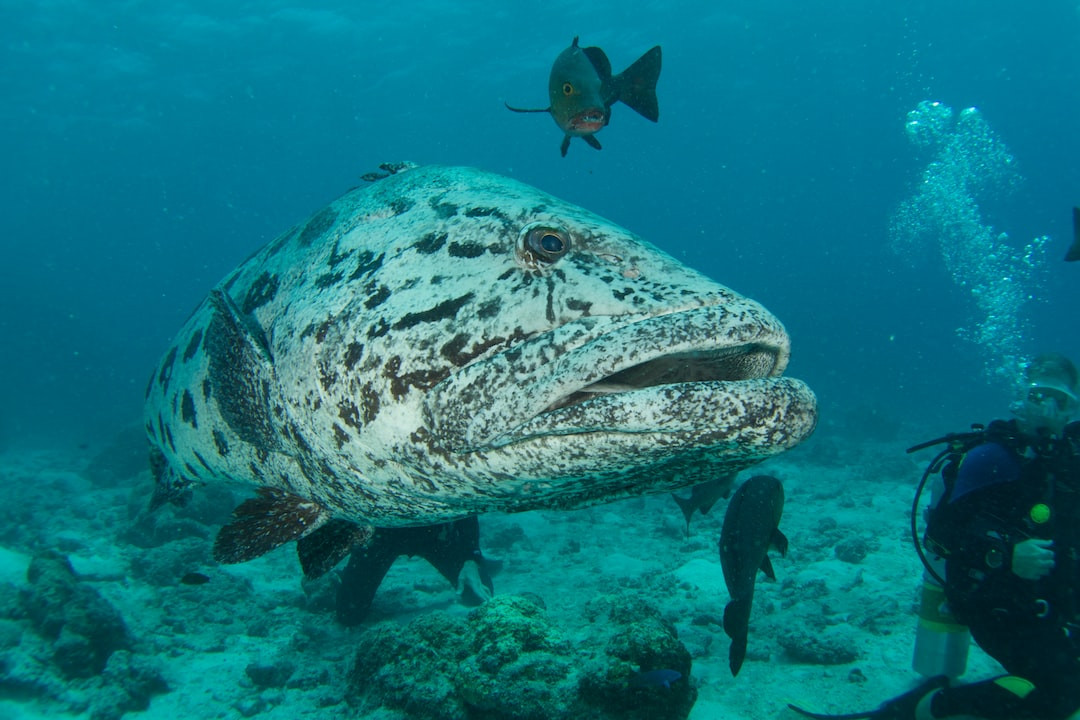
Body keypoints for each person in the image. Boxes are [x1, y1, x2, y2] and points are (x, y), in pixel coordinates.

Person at [791, 353, 1080, 720]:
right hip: (1002, 605)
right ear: (1021, 399)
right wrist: (1005, 552)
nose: (1049, 410)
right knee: (1061, 694)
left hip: (1061, 605)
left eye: (1061, 400)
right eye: (1039, 397)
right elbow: (942, 535)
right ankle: (923, 708)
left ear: (1072, 409)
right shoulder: (992, 457)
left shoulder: (1072, 461)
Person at [335, 516, 496, 625]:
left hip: (434, 535)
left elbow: (464, 498)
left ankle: (481, 563)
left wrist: (471, 557)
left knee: (478, 595)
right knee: (348, 614)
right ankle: (346, 576)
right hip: (381, 537)